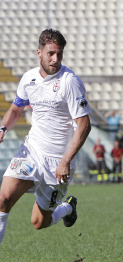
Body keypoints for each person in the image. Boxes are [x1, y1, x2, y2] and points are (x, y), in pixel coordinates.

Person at [0, 29, 91, 246]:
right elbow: (15, 110)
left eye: (59, 54)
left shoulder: (70, 82)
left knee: (39, 222)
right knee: (3, 200)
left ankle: (67, 208)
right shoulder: (29, 79)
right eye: (51, 53)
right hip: (32, 152)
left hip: (58, 162)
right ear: (39, 52)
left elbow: (84, 125)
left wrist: (65, 161)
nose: (55, 59)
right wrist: (2, 128)